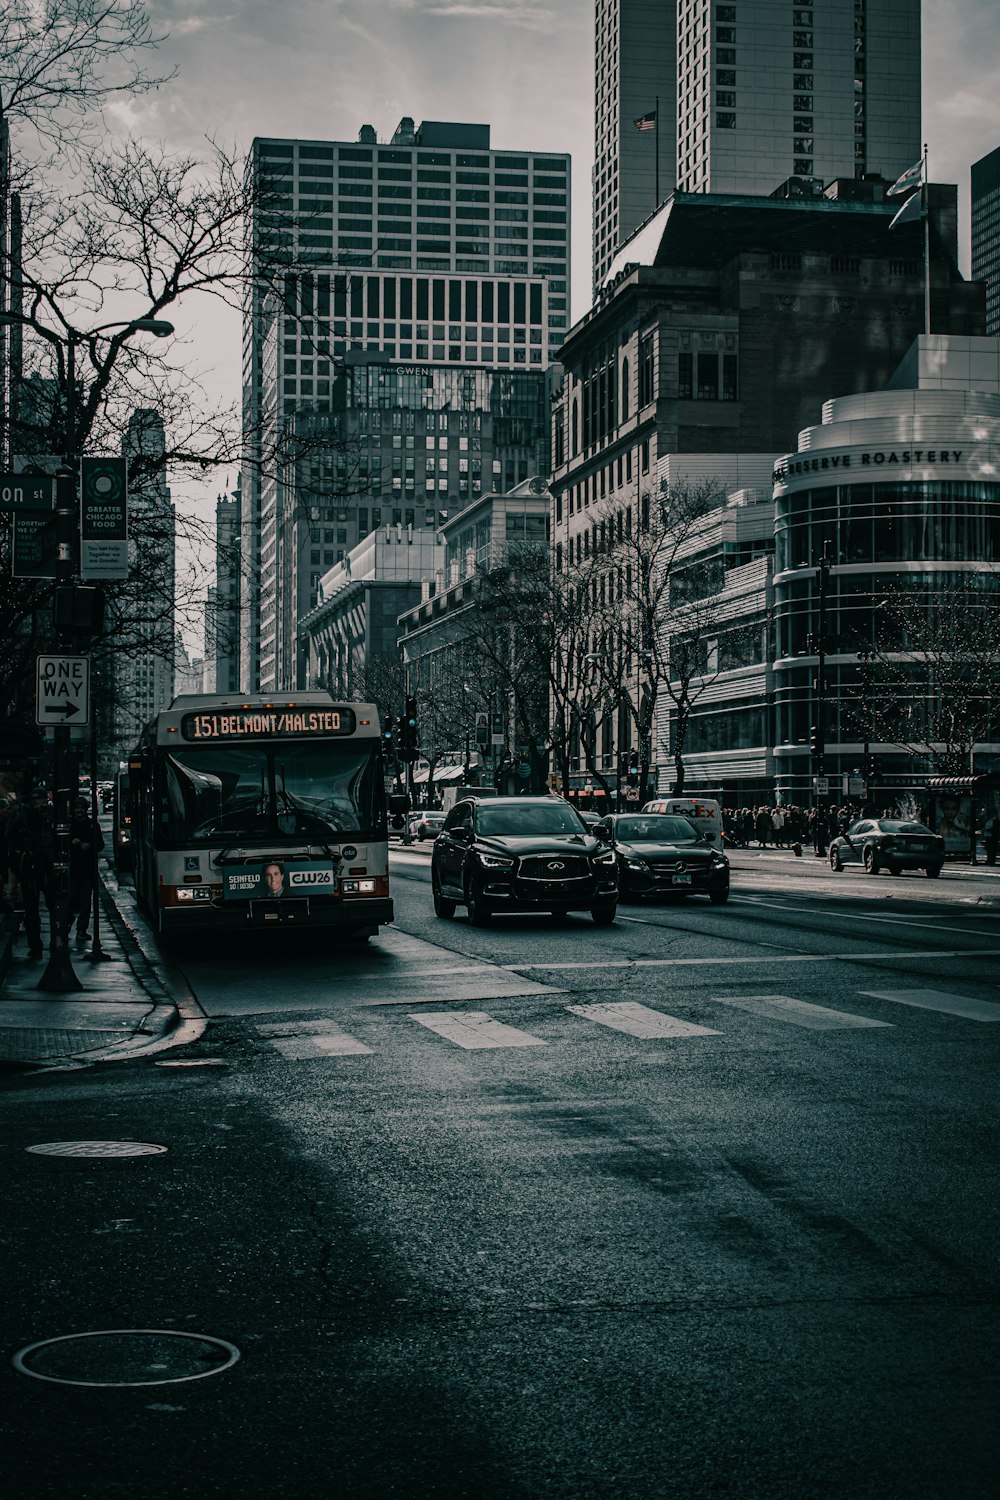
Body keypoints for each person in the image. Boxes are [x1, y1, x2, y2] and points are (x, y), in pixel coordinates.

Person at [6, 789, 54, 959]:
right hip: (34, 866)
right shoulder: (27, 817)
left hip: (40, 867)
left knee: (40, 907)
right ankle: (38, 944)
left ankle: (39, 945)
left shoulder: (40, 816)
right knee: (35, 908)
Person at [67, 795, 104, 941]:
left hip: (88, 869)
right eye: (77, 808)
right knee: (70, 898)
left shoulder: (93, 825)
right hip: (73, 868)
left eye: (81, 808)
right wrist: (72, 842)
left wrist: (90, 845)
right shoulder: (69, 825)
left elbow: (100, 845)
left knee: (85, 902)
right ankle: (68, 923)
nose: (79, 811)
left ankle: (81, 929)